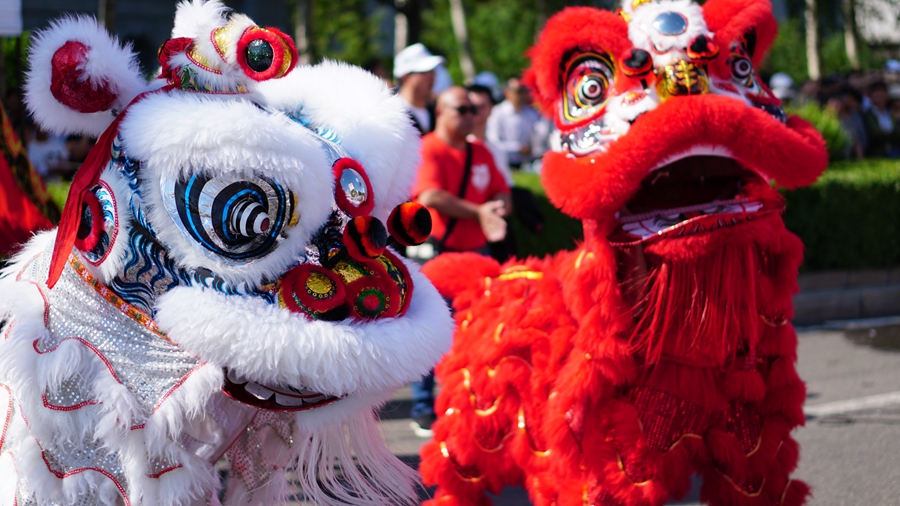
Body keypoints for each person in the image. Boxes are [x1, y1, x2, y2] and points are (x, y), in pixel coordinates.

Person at [408, 87, 511, 437]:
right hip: (438, 254)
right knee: (429, 330)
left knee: (478, 332)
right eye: (463, 109)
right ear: (441, 111)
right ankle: (424, 407)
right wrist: (479, 212)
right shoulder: (429, 149)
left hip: (476, 256)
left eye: (474, 110)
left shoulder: (480, 151)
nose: (472, 116)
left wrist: (496, 207)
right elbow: (430, 195)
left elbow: (501, 191)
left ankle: (470, 402)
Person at [486, 77, 541, 169]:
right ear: (506, 93)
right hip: (506, 163)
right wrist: (518, 148)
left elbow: (538, 136)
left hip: (529, 164)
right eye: (518, 91)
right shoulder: (498, 113)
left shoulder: (530, 113)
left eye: (524, 91)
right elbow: (494, 142)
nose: (522, 95)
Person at [393, 43, 444, 135]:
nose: (431, 77)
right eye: (424, 72)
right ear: (405, 77)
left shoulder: (437, 112)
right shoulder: (391, 113)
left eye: (433, 71)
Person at [862, 81, 900, 158]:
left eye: (882, 91)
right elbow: (875, 134)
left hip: (895, 152)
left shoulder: (891, 113)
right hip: (876, 155)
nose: (879, 94)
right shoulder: (867, 115)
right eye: (876, 92)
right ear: (870, 96)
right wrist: (890, 133)